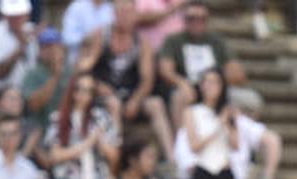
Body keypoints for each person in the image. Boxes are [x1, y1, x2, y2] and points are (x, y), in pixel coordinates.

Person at [79, 0, 173, 156]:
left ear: (135, 15)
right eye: (121, 13)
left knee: (156, 104)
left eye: (129, 13)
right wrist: (96, 86)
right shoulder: (101, 36)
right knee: (113, 104)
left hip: (129, 94)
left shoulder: (142, 42)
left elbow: (147, 79)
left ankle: (171, 159)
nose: (125, 17)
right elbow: (85, 68)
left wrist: (136, 99)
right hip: (102, 93)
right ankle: (118, 154)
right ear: (114, 15)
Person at [157, 1, 257, 133]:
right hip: (189, 87)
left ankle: (243, 147)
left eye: (201, 19)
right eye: (192, 18)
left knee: (251, 100)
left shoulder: (217, 41)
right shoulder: (174, 40)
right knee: (179, 96)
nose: (197, 22)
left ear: (207, 20)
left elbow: (237, 73)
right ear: (184, 20)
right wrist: (182, 83)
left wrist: (218, 83)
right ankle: (182, 144)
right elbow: (165, 70)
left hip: (217, 87)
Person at [182, 67, 239, 179]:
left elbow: (236, 144)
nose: (211, 86)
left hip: (224, 169)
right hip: (204, 169)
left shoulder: (228, 111)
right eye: (207, 82)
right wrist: (218, 125)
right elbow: (194, 146)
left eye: (215, 82)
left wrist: (228, 122)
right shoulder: (192, 112)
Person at [21, 25, 70, 136]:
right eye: (47, 47)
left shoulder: (70, 71)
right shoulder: (32, 74)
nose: (52, 51)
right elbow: (34, 105)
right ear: (40, 50)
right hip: (41, 130)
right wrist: (55, 76)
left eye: (56, 46)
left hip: (66, 129)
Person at [0, 0, 37, 95]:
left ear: (27, 15)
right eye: (11, 16)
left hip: (24, 92)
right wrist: (20, 49)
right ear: (4, 16)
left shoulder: (31, 30)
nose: (16, 20)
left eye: (19, 16)